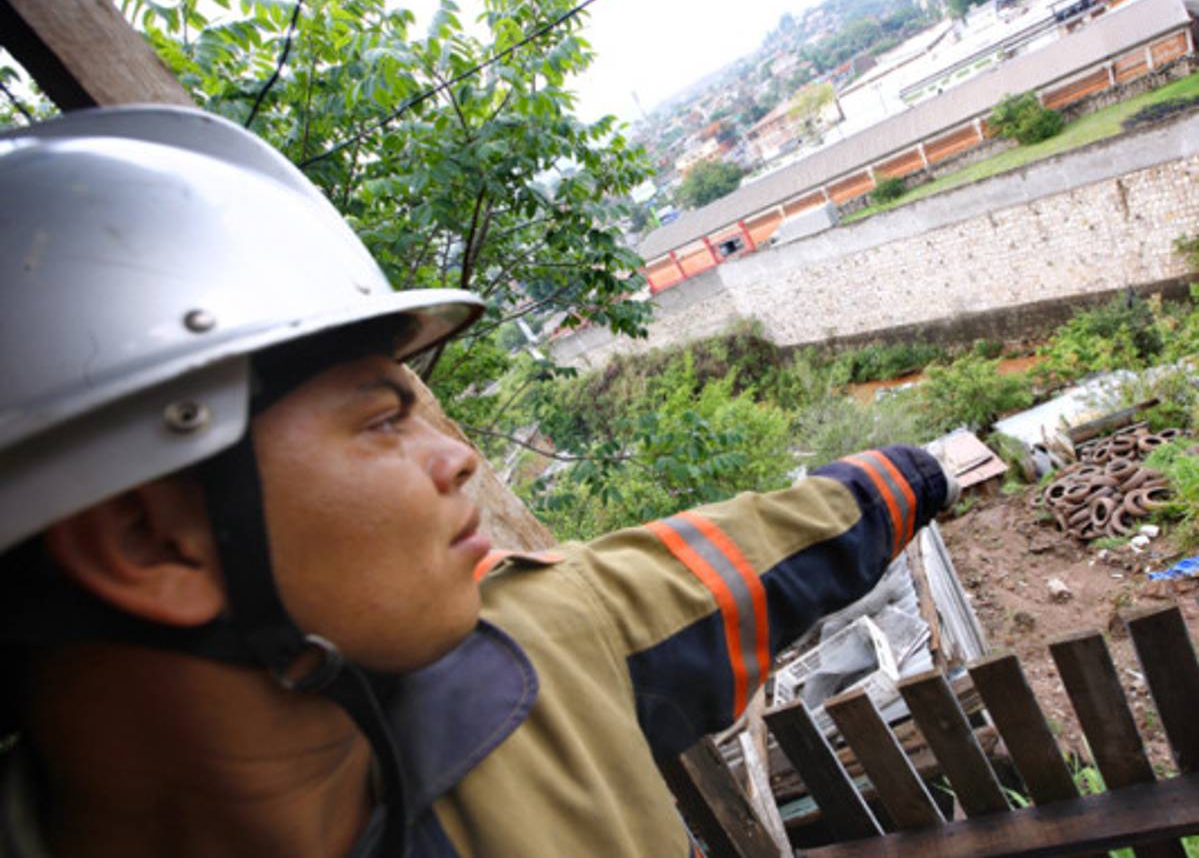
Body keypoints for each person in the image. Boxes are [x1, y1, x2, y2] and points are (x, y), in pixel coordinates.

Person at [0, 106, 955, 858]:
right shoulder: (527, 663)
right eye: (381, 418)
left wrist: (920, 470)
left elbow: (775, 544)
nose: (455, 456)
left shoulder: (538, 650)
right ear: (148, 541)